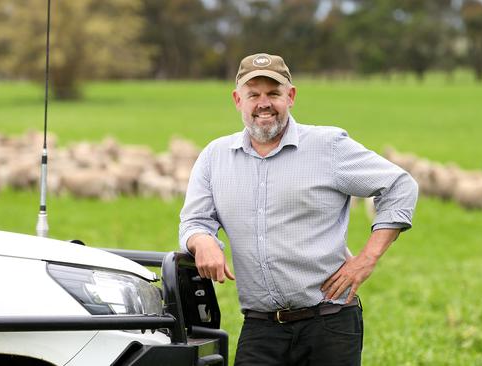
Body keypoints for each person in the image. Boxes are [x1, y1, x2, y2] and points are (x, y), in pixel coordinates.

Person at [179, 52, 418, 366]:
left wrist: (367, 259)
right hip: (260, 327)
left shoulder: (328, 146)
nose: (264, 103)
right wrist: (203, 241)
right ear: (238, 100)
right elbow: (194, 220)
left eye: (274, 93)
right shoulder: (215, 156)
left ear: (290, 96)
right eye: (254, 95)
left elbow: (400, 185)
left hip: (328, 324)